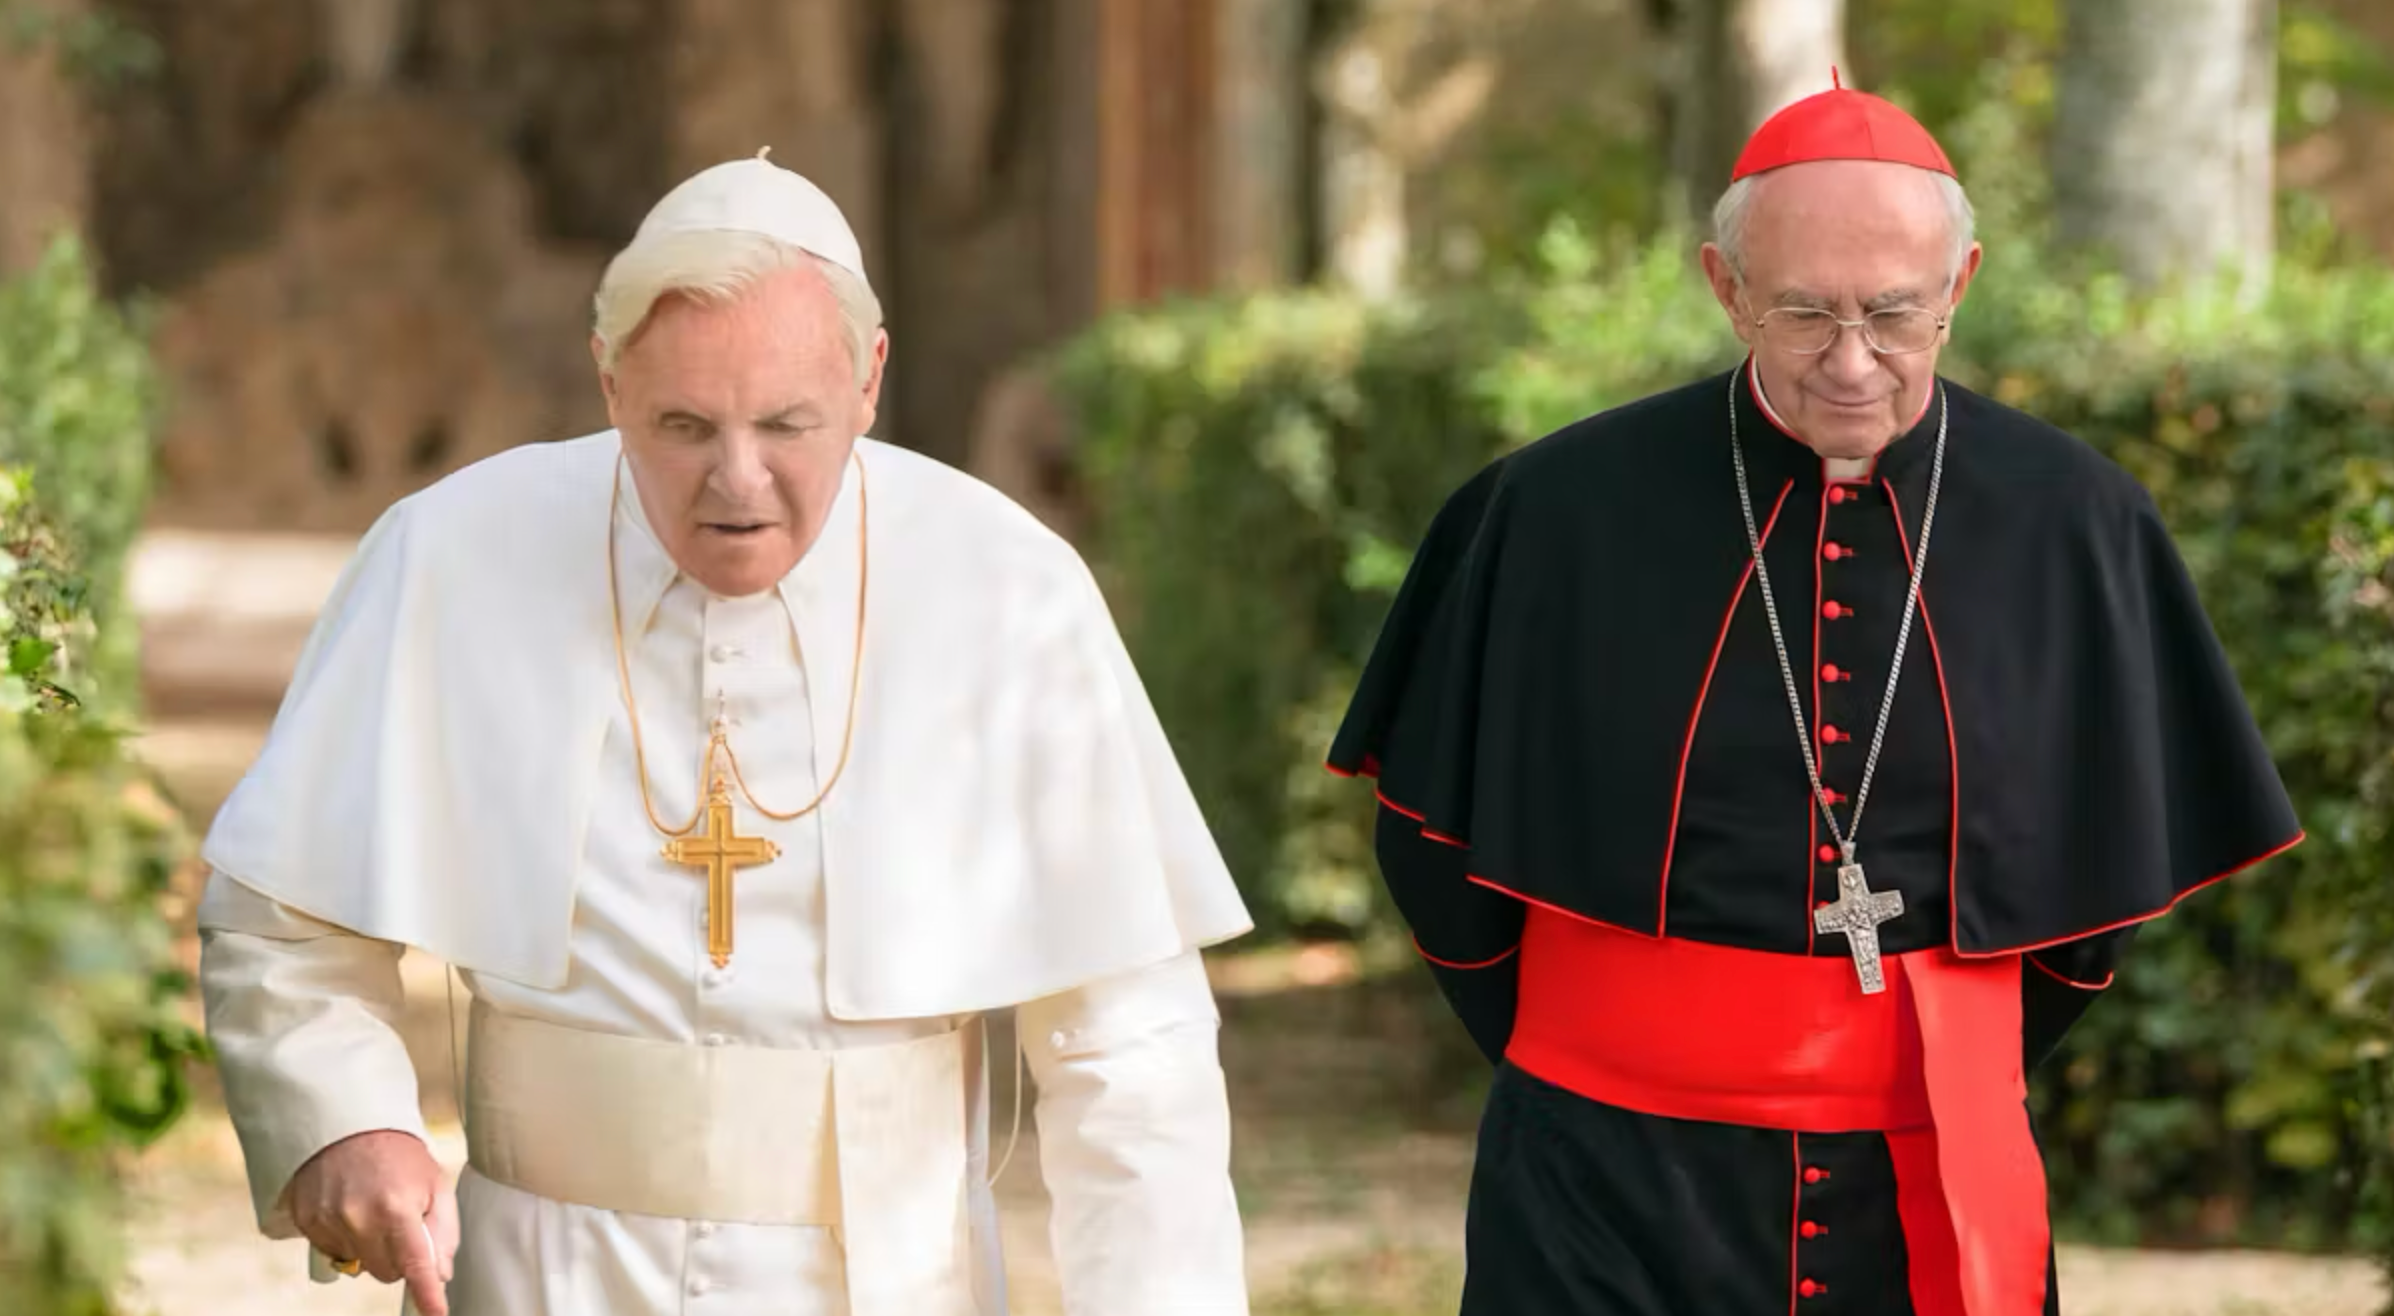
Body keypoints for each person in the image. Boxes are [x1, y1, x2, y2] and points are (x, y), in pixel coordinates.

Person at [195, 150, 1257, 1316]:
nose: (737, 480)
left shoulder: (1010, 590)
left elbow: (1129, 1047)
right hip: (543, 1277)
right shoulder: (449, 553)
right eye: (684, 425)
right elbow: (284, 921)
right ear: (609, 380)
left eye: (787, 423)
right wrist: (345, 1118)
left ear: (869, 377)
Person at [1324, 79, 2302, 1316]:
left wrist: (1927, 1058)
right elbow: (1434, 846)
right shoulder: (1556, 510)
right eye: (1803, 312)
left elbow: (2096, 884)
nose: (1851, 361)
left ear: (1960, 283)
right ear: (1727, 287)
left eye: (1894, 312)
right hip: (1604, 1176)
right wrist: (1626, 1048)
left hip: (1931, 1168)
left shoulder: (2074, 520)